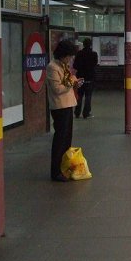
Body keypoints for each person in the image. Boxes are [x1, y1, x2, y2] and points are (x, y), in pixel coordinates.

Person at [46, 39, 83, 182]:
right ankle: (55, 172)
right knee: (60, 139)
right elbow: (57, 89)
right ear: (62, 54)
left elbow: (70, 79)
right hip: (59, 107)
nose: (70, 58)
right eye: (69, 55)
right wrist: (71, 84)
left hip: (68, 105)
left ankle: (64, 167)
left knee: (67, 138)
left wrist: (75, 82)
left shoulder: (64, 65)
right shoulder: (53, 67)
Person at [73, 38, 98, 119]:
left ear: (83, 44)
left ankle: (77, 112)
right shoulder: (94, 54)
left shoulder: (79, 54)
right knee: (88, 96)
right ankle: (86, 113)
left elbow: (75, 66)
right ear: (90, 44)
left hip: (80, 77)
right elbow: (95, 64)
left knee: (79, 95)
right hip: (90, 78)